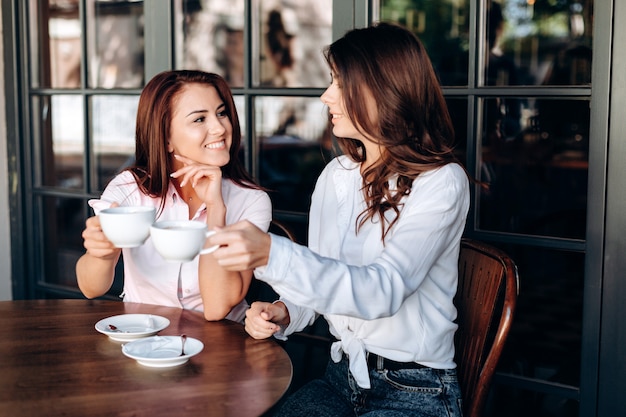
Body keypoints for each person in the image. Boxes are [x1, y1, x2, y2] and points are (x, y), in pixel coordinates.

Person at [208, 22, 469, 416]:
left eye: (340, 84)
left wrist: (270, 256)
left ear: (385, 91)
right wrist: (285, 311)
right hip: (339, 378)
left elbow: (382, 290)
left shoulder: (441, 182)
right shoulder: (337, 176)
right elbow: (326, 274)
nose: (327, 96)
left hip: (416, 391)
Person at [75, 70, 271, 323]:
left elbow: (216, 307)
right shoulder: (129, 190)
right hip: (144, 337)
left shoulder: (251, 201)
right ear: (166, 138)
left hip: (222, 344)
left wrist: (215, 209)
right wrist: (99, 254)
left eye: (221, 113)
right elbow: (92, 289)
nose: (219, 127)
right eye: (200, 119)